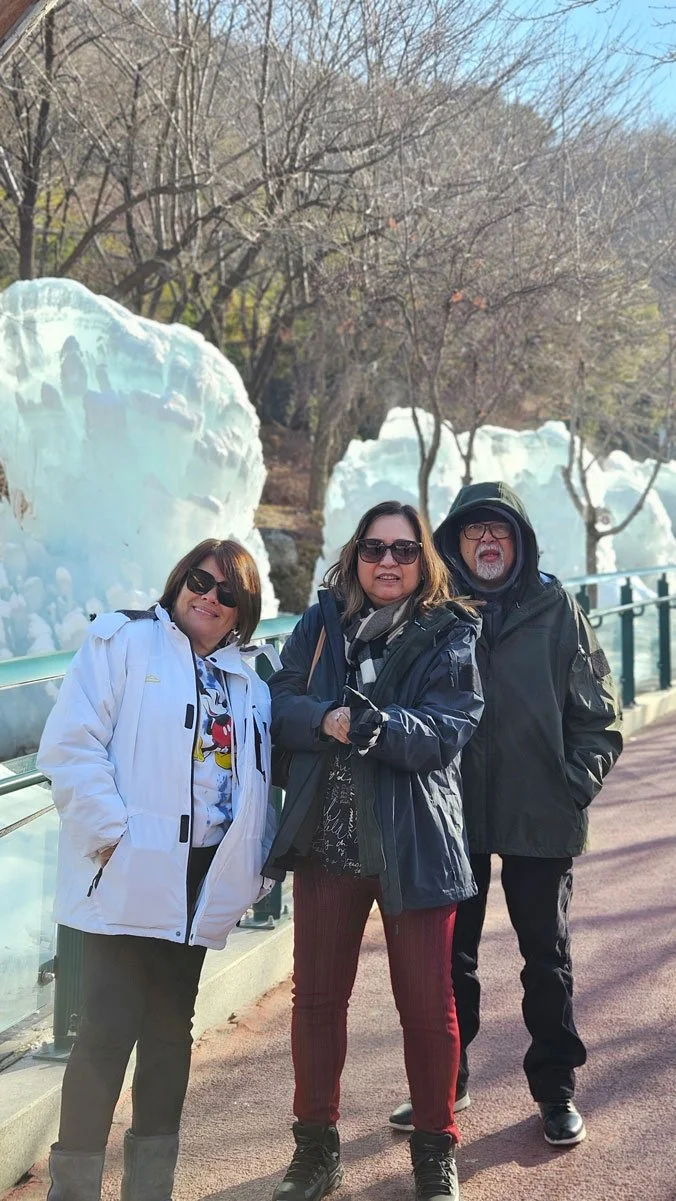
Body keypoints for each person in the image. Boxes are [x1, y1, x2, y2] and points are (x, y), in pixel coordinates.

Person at [37, 538, 276, 1201]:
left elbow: (258, 781)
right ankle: (74, 1190)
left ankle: (150, 1189)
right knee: (106, 1028)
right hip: (128, 869)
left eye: (228, 592)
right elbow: (71, 743)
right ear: (179, 580)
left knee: (170, 1034)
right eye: (201, 579)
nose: (209, 596)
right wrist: (114, 836)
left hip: (201, 882)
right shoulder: (124, 641)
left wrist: (252, 869)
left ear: (241, 613)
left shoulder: (250, 679)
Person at [388, 482, 622, 1148]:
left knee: (545, 956)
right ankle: (445, 1081)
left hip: (538, 814)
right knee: (449, 959)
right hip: (450, 817)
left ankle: (555, 1089)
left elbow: (599, 716)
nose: (486, 542)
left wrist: (572, 784)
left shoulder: (557, 609)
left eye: (499, 531)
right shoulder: (430, 613)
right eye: (472, 532)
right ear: (454, 543)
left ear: (518, 540)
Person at [264, 500, 484, 1201]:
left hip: (414, 841)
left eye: (404, 549)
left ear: (425, 560)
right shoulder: (319, 623)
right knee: (318, 1000)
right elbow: (277, 701)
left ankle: (434, 1147)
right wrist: (326, 717)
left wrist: (375, 725)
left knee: (426, 1003)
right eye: (374, 547)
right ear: (354, 555)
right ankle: (316, 1149)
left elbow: (448, 727)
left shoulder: (452, 630)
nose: (388, 561)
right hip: (325, 839)